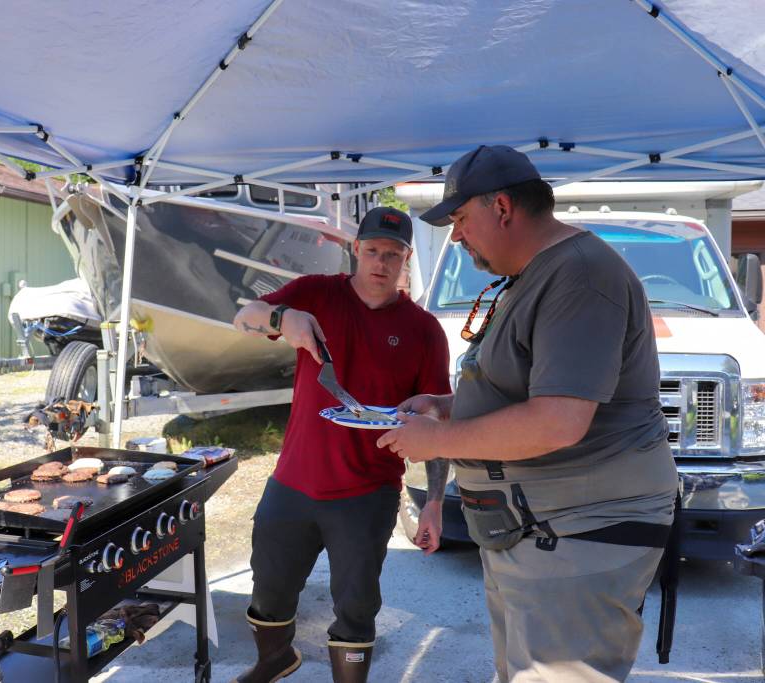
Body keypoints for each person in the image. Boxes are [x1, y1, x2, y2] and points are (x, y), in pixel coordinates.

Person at [378, 145, 679, 682]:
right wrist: (448, 409)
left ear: (501, 206)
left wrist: (438, 441)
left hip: (579, 534)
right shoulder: (542, 274)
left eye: (461, 219)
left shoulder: (581, 275)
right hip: (538, 533)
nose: (457, 235)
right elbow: (526, 386)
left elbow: (558, 420)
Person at [231, 206, 451, 683]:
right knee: (269, 589)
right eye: (372, 250)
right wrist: (281, 316)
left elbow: (437, 419)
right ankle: (275, 659)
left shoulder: (424, 330)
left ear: (406, 258)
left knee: (356, 604)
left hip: (367, 492)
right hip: (292, 481)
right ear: (356, 250)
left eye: (393, 255)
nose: (381, 263)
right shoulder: (314, 295)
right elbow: (243, 317)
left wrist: (434, 502)